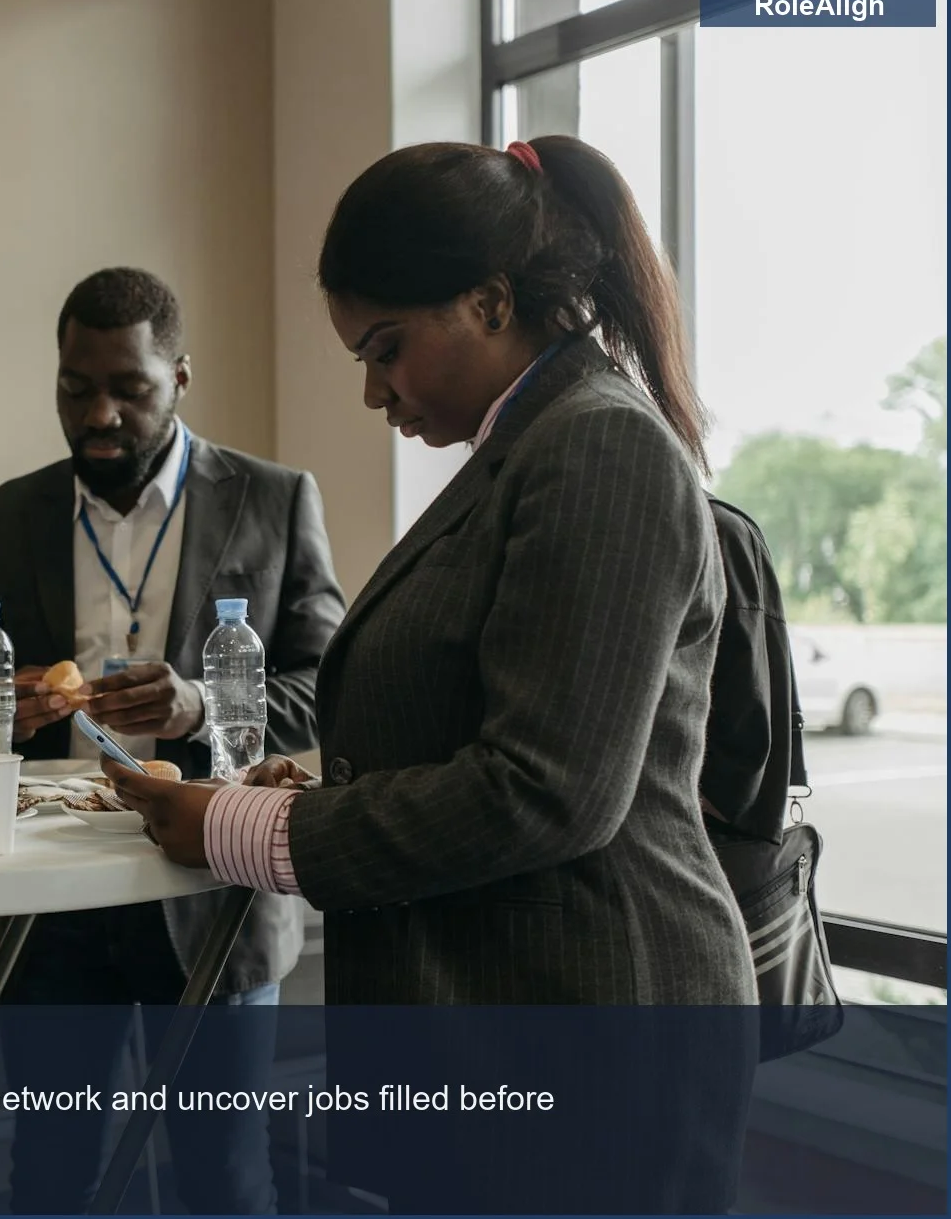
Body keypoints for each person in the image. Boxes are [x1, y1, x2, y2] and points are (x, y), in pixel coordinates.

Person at [107, 139, 757, 1211]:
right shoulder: (522, 450)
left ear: (491, 301)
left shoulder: (595, 449)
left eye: (386, 347)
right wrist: (330, 794)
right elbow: (480, 729)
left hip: (590, 1032)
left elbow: (544, 790)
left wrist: (237, 829)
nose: (373, 391)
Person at [0, 267, 345, 1214]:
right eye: (75, 387)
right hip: (49, 888)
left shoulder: (275, 497)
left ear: (181, 376)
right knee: (48, 1174)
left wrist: (198, 707)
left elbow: (332, 686)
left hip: (213, 888)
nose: (99, 414)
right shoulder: (7, 514)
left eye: (128, 390)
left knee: (223, 1176)